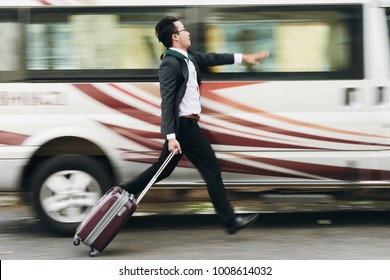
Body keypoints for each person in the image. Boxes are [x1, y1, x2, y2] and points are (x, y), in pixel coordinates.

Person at [122, 16, 269, 234]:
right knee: (211, 169)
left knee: (162, 170)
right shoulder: (169, 63)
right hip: (183, 127)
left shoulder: (189, 58)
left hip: (188, 126)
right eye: (184, 30)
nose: (188, 33)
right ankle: (230, 221)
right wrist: (171, 136)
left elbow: (213, 58)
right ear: (175, 37)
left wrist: (244, 57)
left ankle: (123, 191)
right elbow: (168, 101)